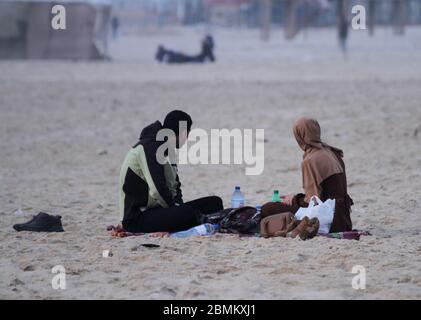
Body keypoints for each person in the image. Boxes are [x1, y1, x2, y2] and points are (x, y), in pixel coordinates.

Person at [118, 110, 223, 233]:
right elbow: (157, 189)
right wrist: (176, 210)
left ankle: (196, 219)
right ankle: (199, 220)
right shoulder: (149, 147)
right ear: (183, 133)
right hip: (137, 218)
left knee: (215, 202)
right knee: (186, 213)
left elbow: (174, 187)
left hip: (158, 210)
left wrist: (178, 207)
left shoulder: (168, 150)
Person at [261, 117, 353, 234]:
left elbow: (312, 201)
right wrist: (296, 198)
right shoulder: (332, 152)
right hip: (344, 217)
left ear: (300, 136)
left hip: (329, 218)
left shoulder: (311, 160)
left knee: (268, 208)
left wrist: (293, 200)